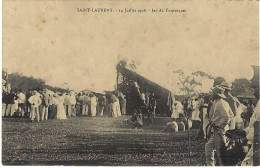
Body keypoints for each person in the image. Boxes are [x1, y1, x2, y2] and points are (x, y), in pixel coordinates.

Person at [205, 86, 234, 166]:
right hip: (219, 130)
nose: (211, 94)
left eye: (213, 93)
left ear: (216, 94)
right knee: (209, 148)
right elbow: (232, 115)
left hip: (220, 130)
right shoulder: (221, 102)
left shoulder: (220, 103)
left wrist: (220, 125)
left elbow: (227, 116)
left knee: (220, 152)